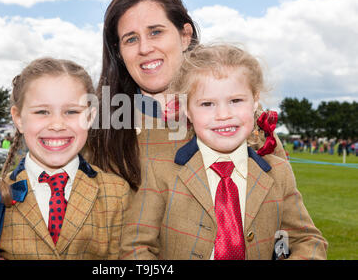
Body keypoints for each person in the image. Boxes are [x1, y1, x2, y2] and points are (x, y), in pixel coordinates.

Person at [120, 44, 327, 260]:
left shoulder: (278, 171)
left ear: (255, 101)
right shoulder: (159, 170)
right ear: (186, 110)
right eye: (207, 104)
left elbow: (307, 240)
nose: (223, 114)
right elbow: (136, 247)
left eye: (235, 101)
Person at [86, 0, 287, 192]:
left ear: (185, 36)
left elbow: (289, 215)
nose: (145, 48)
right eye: (131, 39)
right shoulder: (99, 129)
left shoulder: (248, 120)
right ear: (119, 52)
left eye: (155, 32)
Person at [0, 58, 131, 260]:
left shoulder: (116, 194)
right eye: (42, 112)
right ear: (19, 118)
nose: (57, 124)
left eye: (71, 111)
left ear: (90, 117)